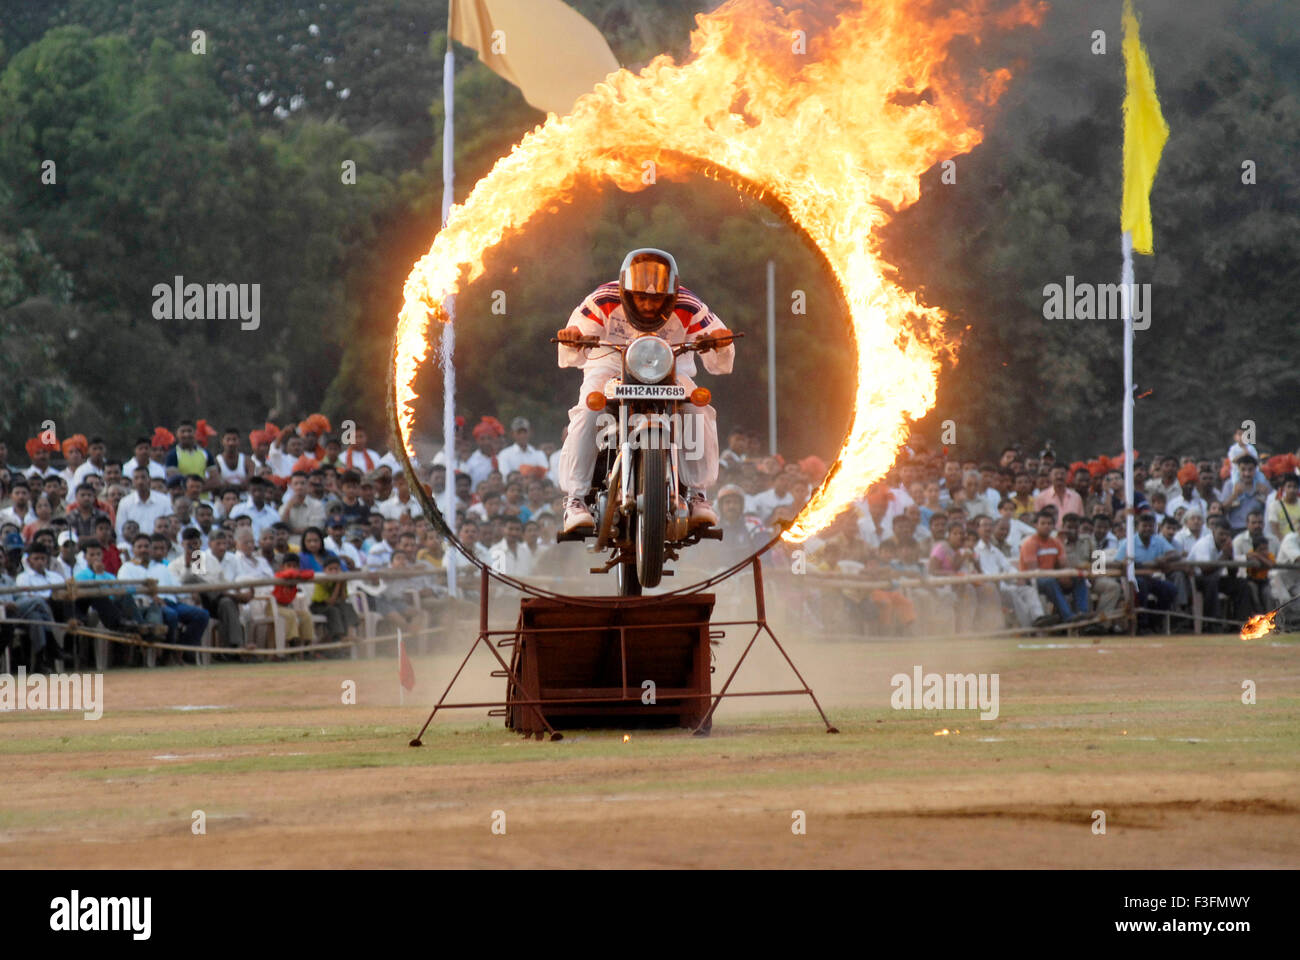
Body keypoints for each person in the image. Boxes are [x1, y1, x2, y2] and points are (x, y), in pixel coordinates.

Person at [555, 248, 735, 533]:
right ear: (626, 291)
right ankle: (575, 500)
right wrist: (573, 337)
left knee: (698, 408)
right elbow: (573, 337)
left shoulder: (690, 305)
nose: (649, 305)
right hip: (609, 365)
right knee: (588, 411)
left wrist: (720, 342)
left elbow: (719, 350)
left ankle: (698, 494)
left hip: (670, 368)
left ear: (672, 293)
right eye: (641, 297)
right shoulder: (602, 299)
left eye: (656, 298)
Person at [973, 515, 1046, 628]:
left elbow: (1008, 567)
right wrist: (1006, 579)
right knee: (1013, 594)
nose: (988, 528)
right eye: (984, 525)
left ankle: (1039, 619)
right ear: (978, 529)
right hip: (991, 587)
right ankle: (1028, 627)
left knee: (1028, 590)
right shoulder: (975, 550)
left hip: (1004, 585)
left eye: (990, 525)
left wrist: (1017, 578)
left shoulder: (995, 550)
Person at [1019, 510, 1087, 622]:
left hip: (1052, 577)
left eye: (1049, 523)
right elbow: (1034, 572)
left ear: (1053, 526)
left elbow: (1063, 565)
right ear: (1036, 525)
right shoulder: (1029, 543)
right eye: (1043, 523)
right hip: (1033, 581)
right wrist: (1057, 576)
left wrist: (1065, 576)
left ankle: (1082, 613)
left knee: (1078, 578)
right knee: (1050, 581)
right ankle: (1068, 616)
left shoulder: (1056, 542)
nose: (1046, 526)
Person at [1113, 511, 1181, 621]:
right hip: (1132, 579)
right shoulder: (1129, 542)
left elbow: (1175, 553)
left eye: (1150, 526)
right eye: (1144, 526)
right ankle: (1142, 622)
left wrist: (1164, 558)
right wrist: (1129, 564)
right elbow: (1117, 562)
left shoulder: (1158, 540)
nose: (1148, 529)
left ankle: (1156, 620)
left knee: (1171, 589)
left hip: (1150, 578)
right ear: (1137, 527)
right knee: (1141, 585)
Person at [310, 554, 360, 654]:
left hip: (334, 605)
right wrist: (338, 584)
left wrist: (342, 584)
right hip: (319, 606)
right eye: (330, 569)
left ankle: (350, 633)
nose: (334, 572)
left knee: (347, 606)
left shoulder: (341, 580)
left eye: (336, 569)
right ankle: (341, 636)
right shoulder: (321, 581)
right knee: (334, 610)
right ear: (325, 570)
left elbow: (343, 598)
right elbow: (331, 601)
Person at [1219, 454, 1271, 535]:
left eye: (1250, 470)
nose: (1247, 473)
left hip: (1258, 528)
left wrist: (1267, 494)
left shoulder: (1263, 484)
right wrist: (1234, 495)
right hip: (1236, 529)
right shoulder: (1230, 485)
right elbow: (1222, 510)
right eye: (1243, 470)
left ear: (1255, 470)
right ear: (1238, 470)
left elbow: (1274, 507)